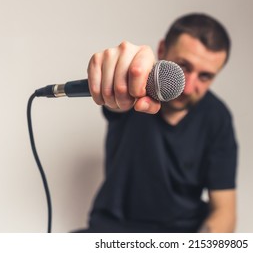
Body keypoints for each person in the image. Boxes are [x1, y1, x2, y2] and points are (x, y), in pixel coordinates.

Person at [78, 13, 238, 233]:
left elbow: (224, 211)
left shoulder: (217, 117)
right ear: (162, 50)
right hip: (112, 231)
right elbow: (117, 101)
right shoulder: (134, 90)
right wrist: (117, 76)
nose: (188, 88)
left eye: (205, 77)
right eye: (183, 67)